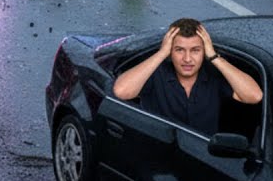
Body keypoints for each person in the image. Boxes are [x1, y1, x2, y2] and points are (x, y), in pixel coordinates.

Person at [112, 18, 262, 136]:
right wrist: (161, 53)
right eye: (179, 50)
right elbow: (122, 91)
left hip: (202, 159)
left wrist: (214, 57)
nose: (187, 59)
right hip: (159, 155)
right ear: (170, 51)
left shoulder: (213, 75)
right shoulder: (156, 73)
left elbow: (254, 95)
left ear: (204, 51)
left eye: (195, 50)